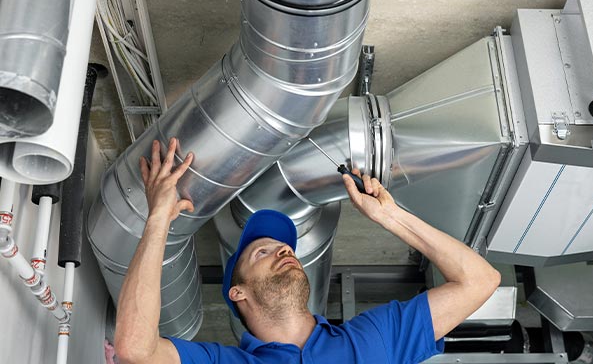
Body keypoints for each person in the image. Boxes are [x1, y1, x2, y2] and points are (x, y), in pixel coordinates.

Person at [115, 138, 501, 364]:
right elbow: (135, 349)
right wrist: (159, 220)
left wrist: (392, 217)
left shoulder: (375, 338)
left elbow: (481, 280)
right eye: (263, 252)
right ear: (238, 293)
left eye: (283, 247)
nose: (284, 250)